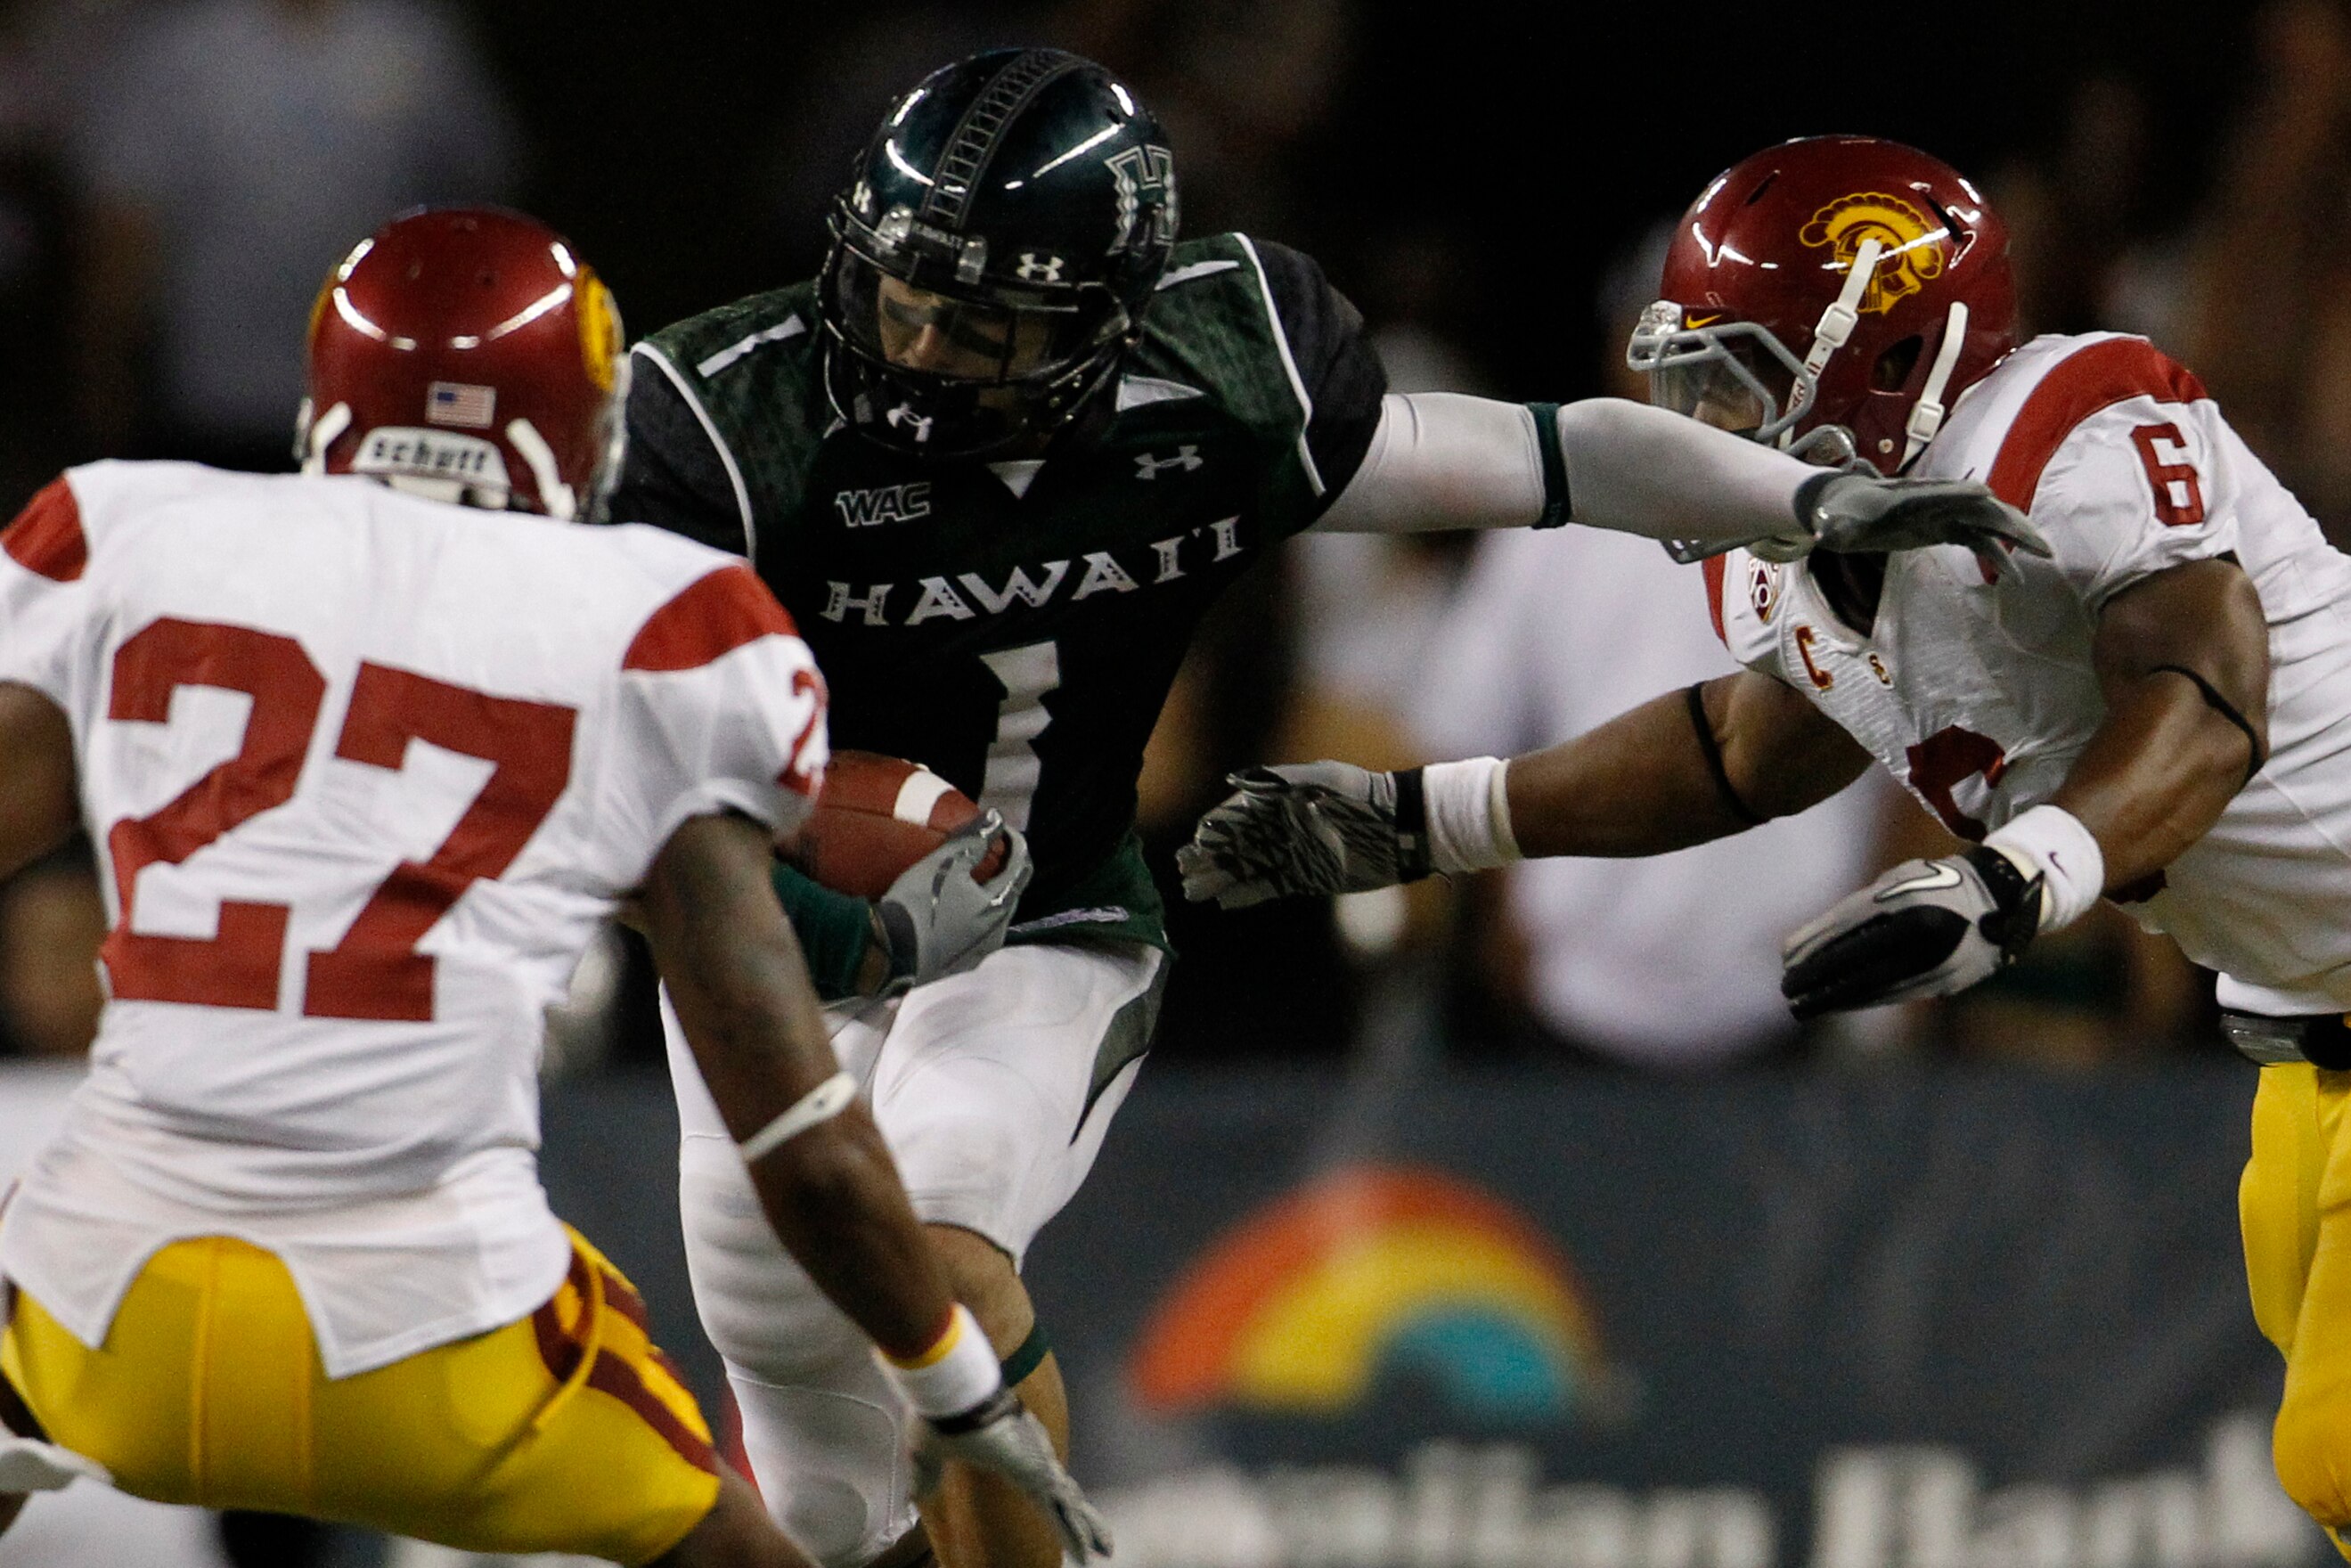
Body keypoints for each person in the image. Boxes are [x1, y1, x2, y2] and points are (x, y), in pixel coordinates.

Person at [608, 55, 2039, 1568]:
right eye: (898, 293)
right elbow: (599, 753)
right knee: (815, 1463)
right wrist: (807, 856)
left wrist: (1802, 504)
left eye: (977, 321)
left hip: (1048, 916)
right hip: (767, 929)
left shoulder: (1224, 382)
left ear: (1106, 320)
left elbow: (1540, 455)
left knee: (946, 1267)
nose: (915, 343)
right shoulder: (721, 423)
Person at [1178, 134, 2351, 1557]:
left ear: (1891, 356)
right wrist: (1432, 821)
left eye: (1737, 373)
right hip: (2302, 1028)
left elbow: (2212, 696)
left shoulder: (2066, 434)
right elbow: (1739, 752)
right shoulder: (1800, 546)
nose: (1699, 417)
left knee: (2343, 1456)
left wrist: (2009, 884)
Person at [0, 207, 1106, 1568]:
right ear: (584, 429)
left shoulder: (127, 527)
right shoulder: (654, 618)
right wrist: (955, 1385)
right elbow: (797, 1135)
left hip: (107, 1303)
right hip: (436, 1330)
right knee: (735, 1544)